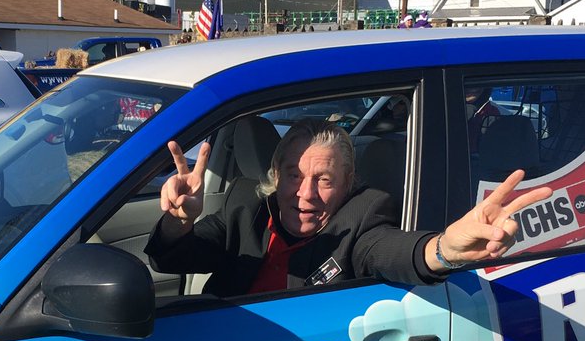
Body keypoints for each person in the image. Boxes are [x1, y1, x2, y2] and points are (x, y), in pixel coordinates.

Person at [146, 120, 551, 296]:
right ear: (276, 175)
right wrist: (179, 222)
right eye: (293, 176)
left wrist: (444, 249)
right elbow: (170, 258)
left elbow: (390, 250)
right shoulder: (244, 207)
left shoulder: (362, 216)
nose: (305, 194)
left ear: (346, 184)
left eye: (324, 180)